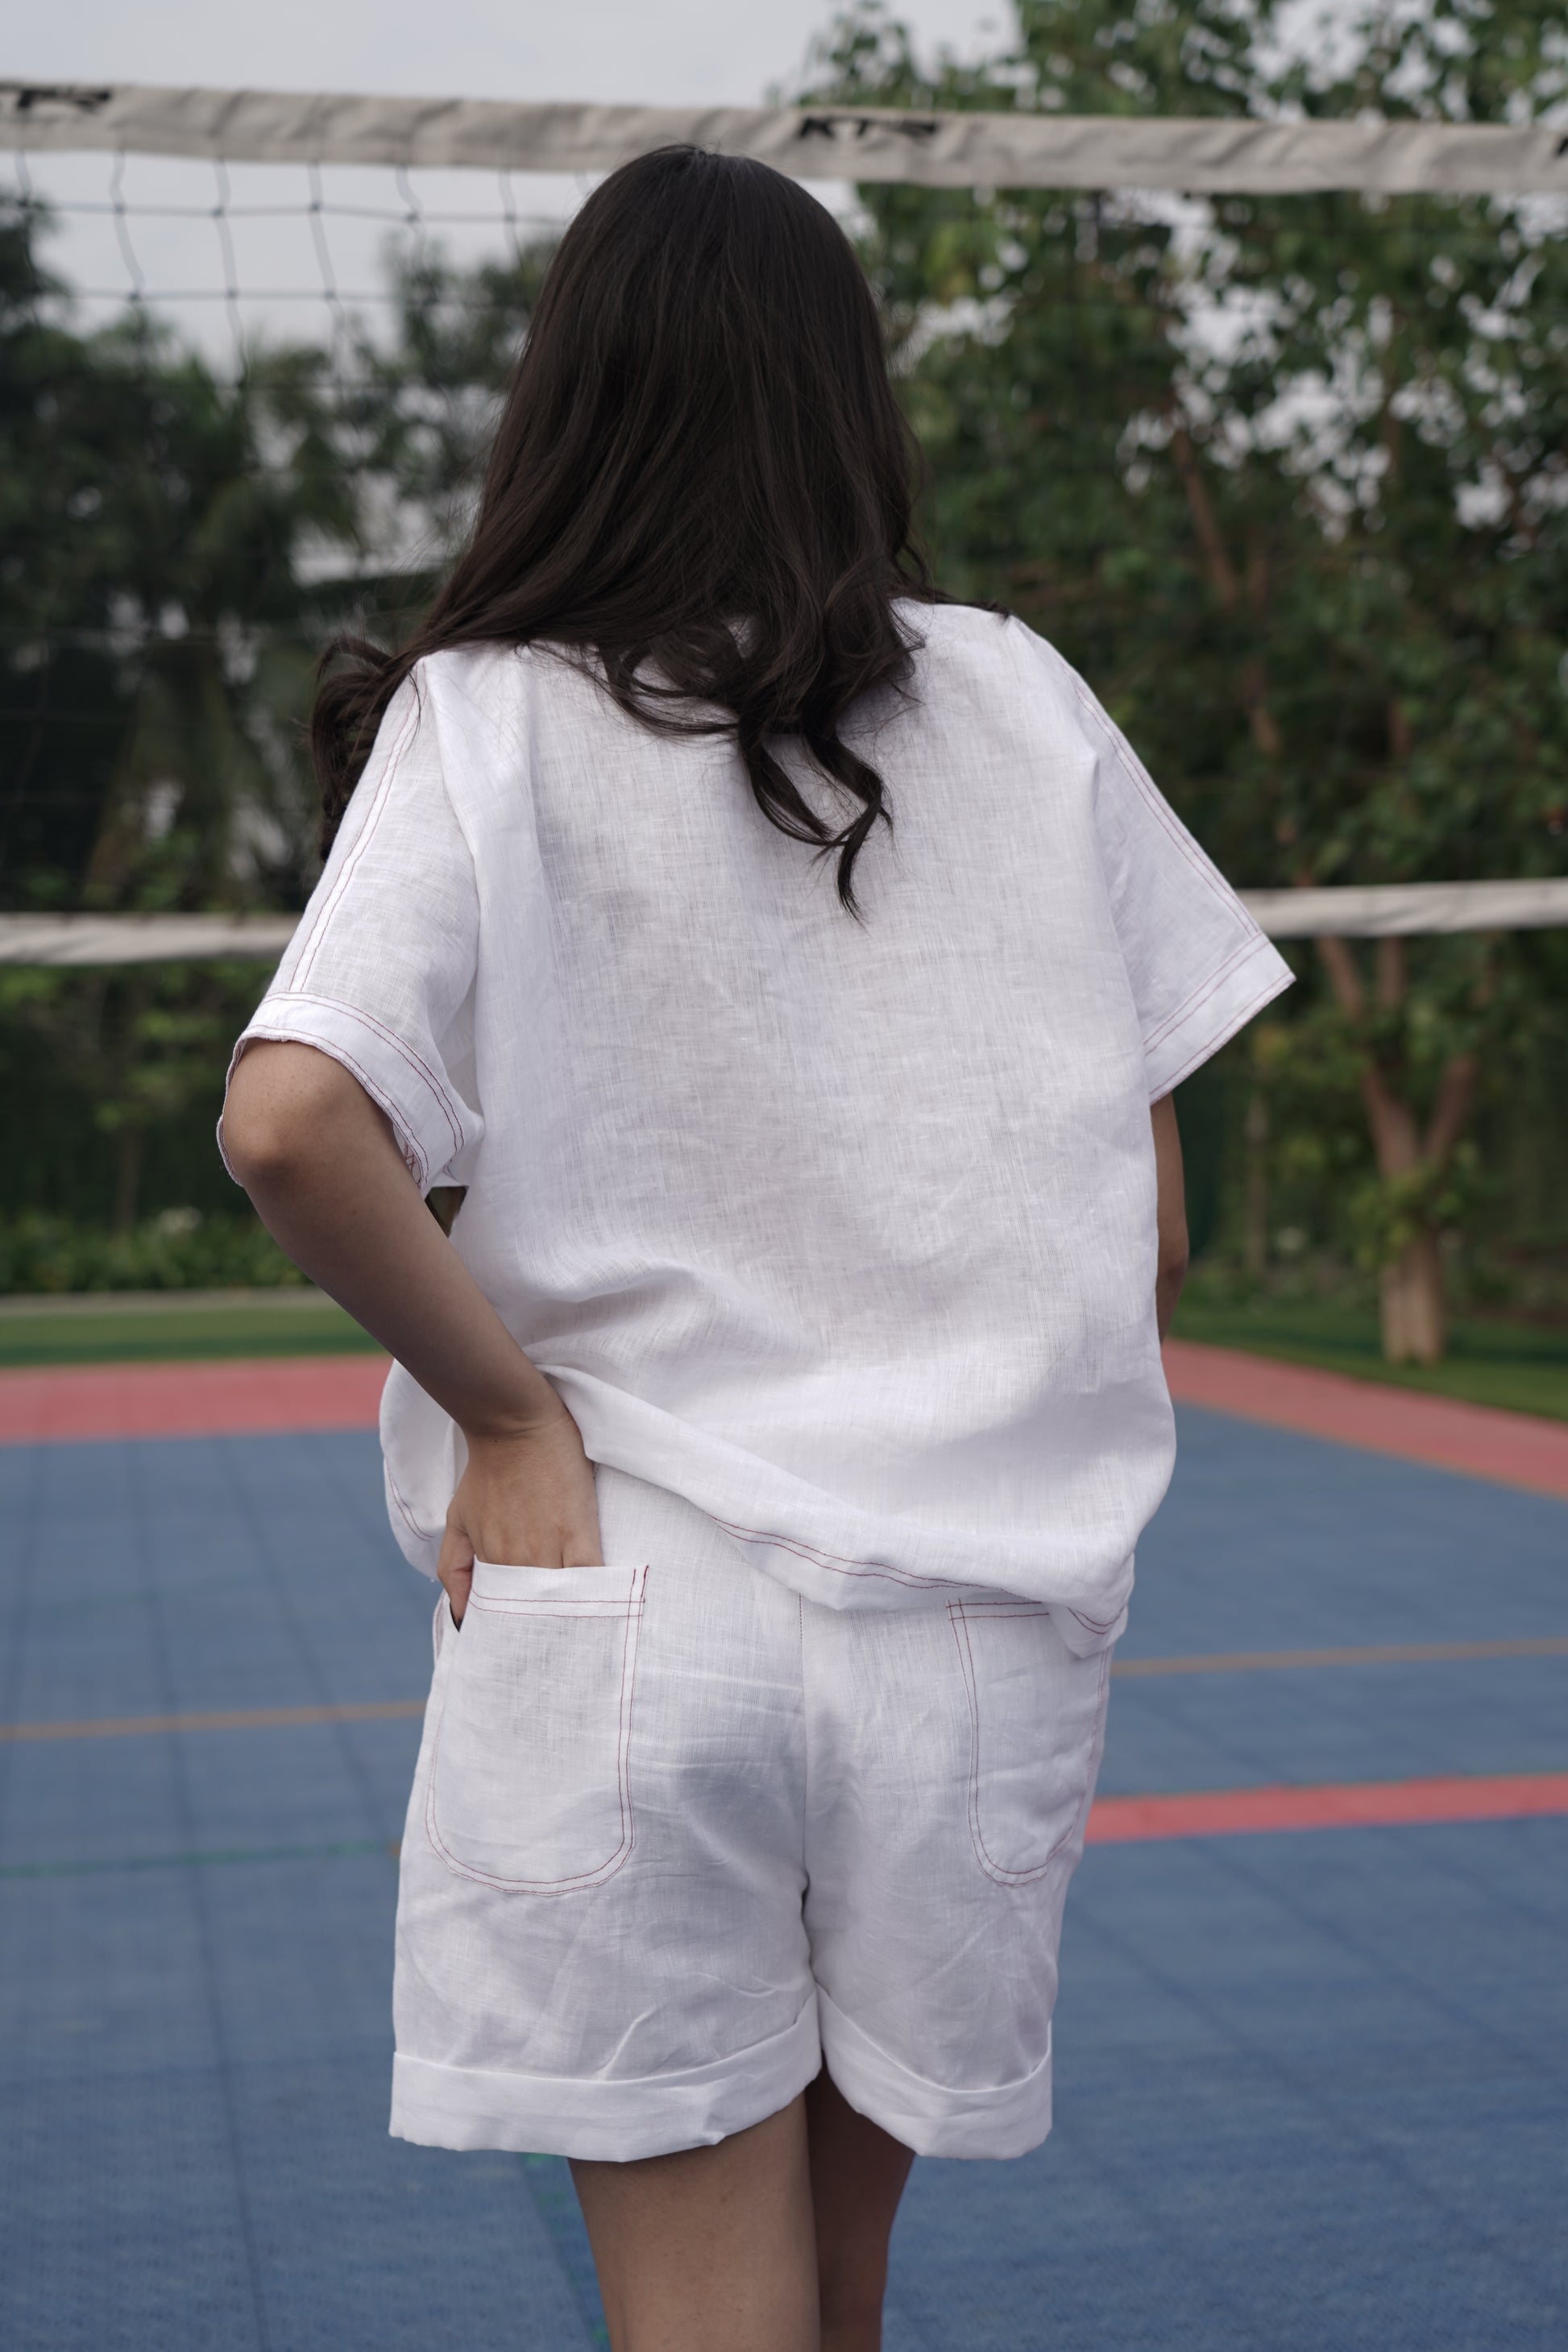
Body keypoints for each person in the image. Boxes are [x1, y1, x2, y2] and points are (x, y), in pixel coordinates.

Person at [220, 145, 1292, 2352]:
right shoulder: (1019, 697)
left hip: (624, 1606)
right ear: (847, 399)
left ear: (570, 396)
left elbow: (290, 1118)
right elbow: (1154, 1229)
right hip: (970, 1635)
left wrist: (506, 1413)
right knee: (840, 2303)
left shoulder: (490, 710)